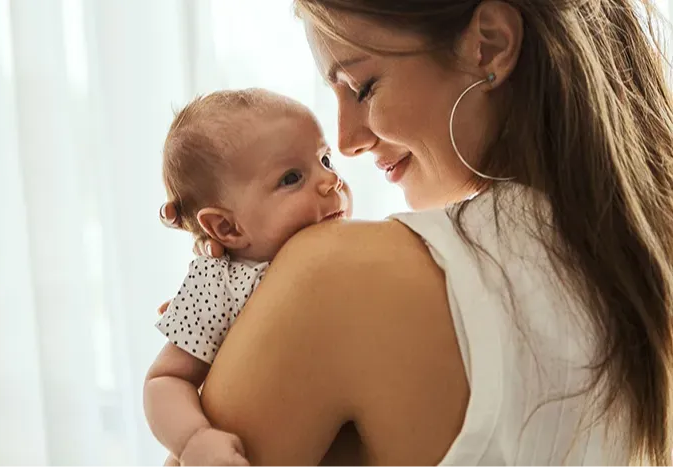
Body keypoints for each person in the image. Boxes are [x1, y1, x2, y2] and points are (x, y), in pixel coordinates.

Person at [157, 0, 673, 465]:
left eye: (362, 87)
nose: (347, 142)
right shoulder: (640, 268)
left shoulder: (336, 276)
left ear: (489, 46)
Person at [143, 89, 351, 467]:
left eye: (325, 160)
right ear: (226, 226)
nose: (330, 181)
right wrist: (194, 441)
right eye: (292, 178)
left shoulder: (345, 253)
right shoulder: (219, 282)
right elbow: (165, 380)